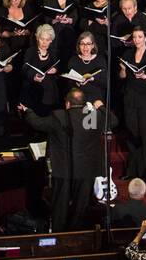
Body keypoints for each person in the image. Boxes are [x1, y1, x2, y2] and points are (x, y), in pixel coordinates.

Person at [20, 87, 101, 232]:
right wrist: (101, 107)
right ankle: (77, 235)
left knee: (60, 206)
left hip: (63, 169)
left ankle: (59, 235)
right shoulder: (92, 116)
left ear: (67, 104)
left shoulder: (59, 116)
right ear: (84, 103)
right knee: (80, 206)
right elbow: (113, 121)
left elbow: (37, 123)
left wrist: (27, 111)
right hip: (85, 169)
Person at [119, 26, 146, 181]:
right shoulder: (128, 54)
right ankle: (131, 170)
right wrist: (123, 69)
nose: (136, 40)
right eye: (134, 37)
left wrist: (144, 77)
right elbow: (122, 77)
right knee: (131, 133)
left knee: (144, 134)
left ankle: (144, 171)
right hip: (130, 98)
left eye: (139, 37)